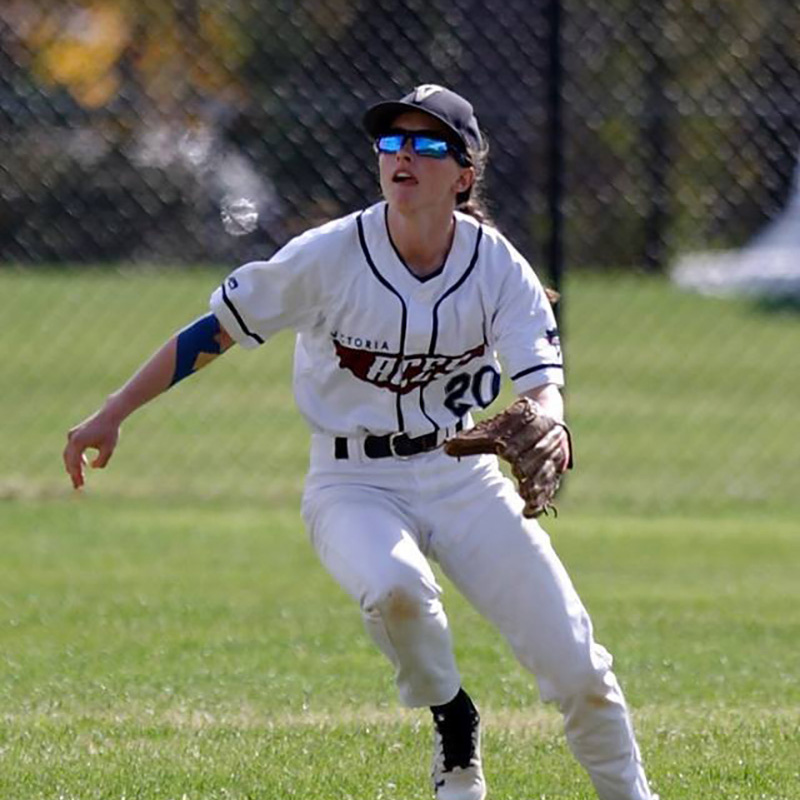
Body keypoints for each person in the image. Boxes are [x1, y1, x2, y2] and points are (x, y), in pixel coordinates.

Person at [63, 84, 658, 800]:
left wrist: (548, 418)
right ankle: (453, 720)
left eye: (429, 143)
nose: (405, 154)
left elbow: (540, 380)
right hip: (352, 482)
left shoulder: (497, 267)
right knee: (397, 591)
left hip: (461, 474)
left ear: (464, 173)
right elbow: (214, 330)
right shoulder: (331, 254)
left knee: (578, 667)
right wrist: (114, 409)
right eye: (393, 141)